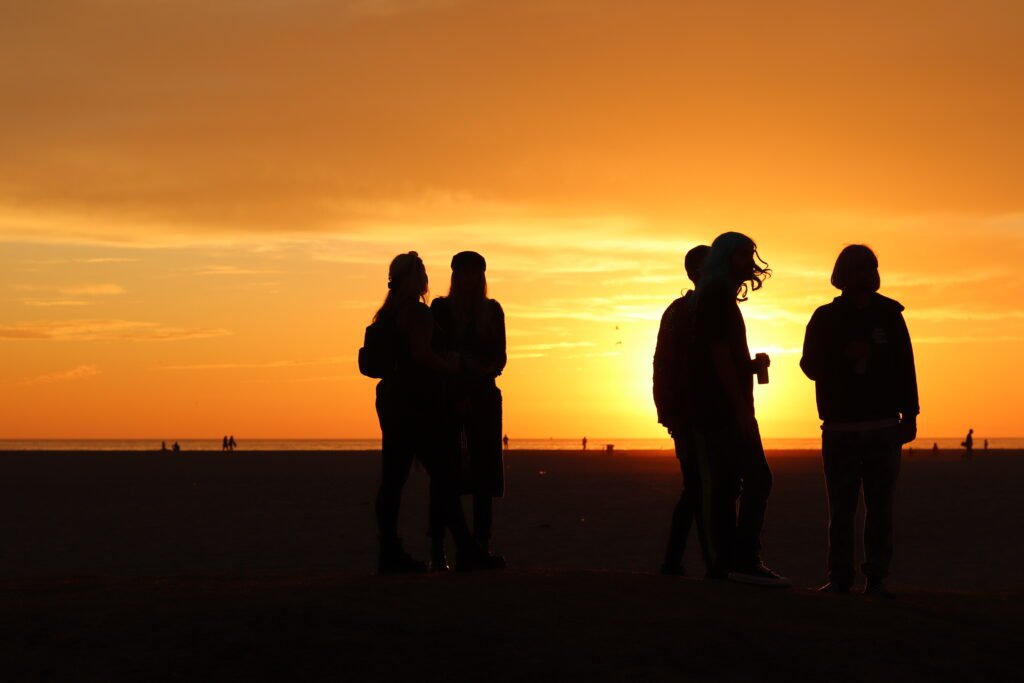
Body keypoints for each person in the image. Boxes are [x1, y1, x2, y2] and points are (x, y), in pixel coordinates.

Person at [371, 251, 502, 574]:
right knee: (442, 476)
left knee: (398, 479)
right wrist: (453, 366)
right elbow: (423, 355)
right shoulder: (420, 312)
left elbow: (498, 357)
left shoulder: (387, 312)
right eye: (421, 272)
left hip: (395, 400)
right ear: (414, 278)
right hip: (418, 403)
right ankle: (461, 550)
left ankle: (394, 551)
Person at [800, 245, 919, 599]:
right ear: (842, 274)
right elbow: (809, 366)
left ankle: (876, 578)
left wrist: (910, 414)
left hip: (883, 426)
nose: (865, 273)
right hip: (840, 428)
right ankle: (840, 578)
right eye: (857, 268)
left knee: (880, 508)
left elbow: (905, 367)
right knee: (842, 509)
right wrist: (842, 355)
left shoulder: (890, 315)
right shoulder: (824, 317)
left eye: (870, 267)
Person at [691, 232, 788, 586]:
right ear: (727, 258)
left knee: (729, 484)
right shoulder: (717, 296)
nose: (751, 262)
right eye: (745, 255)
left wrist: (748, 366)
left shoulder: (718, 297)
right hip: (724, 410)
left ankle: (727, 563)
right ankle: (742, 559)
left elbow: (720, 356)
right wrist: (740, 410)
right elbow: (717, 357)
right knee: (756, 479)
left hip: (723, 407)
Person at [431, 251, 507, 569]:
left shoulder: (492, 310)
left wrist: (480, 371)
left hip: (484, 399)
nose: (468, 277)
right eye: (463, 271)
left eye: (474, 272)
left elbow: (501, 356)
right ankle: (439, 550)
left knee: (484, 476)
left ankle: (479, 547)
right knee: (446, 475)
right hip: (448, 398)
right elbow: (436, 352)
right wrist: (459, 371)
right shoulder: (440, 309)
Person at [653, 244, 712, 576]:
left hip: (713, 415)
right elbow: (663, 363)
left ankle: (681, 560)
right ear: (694, 272)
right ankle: (688, 560)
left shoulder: (718, 307)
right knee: (697, 487)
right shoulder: (680, 311)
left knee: (703, 488)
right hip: (689, 415)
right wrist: (668, 411)